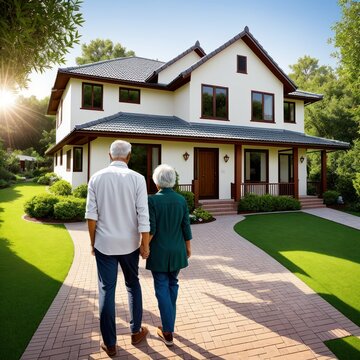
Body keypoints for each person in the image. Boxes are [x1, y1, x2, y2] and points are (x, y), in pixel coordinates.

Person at [85, 140, 150, 357]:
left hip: (105, 244)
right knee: (133, 285)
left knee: (106, 291)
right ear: (129, 156)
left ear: (109, 155)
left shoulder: (96, 178)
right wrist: (145, 243)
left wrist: (92, 243)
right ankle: (135, 331)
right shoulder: (138, 179)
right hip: (130, 244)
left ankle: (110, 344)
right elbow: (143, 214)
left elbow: (91, 217)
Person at [142, 164, 192, 346]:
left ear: (157, 183)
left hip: (159, 252)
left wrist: (145, 247)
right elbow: (185, 226)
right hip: (177, 251)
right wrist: (188, 247)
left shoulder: (152, 200)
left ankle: (168, 330)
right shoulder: (181, 200)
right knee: (173, 284)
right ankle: (168, 325)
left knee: (162, 287)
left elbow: (151, 228)